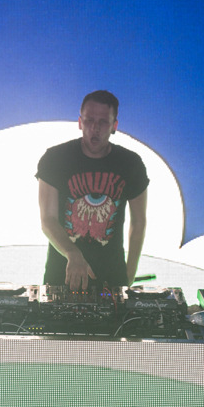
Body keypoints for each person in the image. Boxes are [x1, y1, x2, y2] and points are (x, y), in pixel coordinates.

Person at [36, 90, 149, 296]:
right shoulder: (54, 159)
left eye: (103, 122)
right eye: (89, 120)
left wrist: (129, 273)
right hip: (61, 277)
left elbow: (139, 222)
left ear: (114, 126)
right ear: (80, 122)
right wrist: (73, 253)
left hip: (112, 277)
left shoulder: (131, 164)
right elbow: (48, 220)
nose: (95, 128)